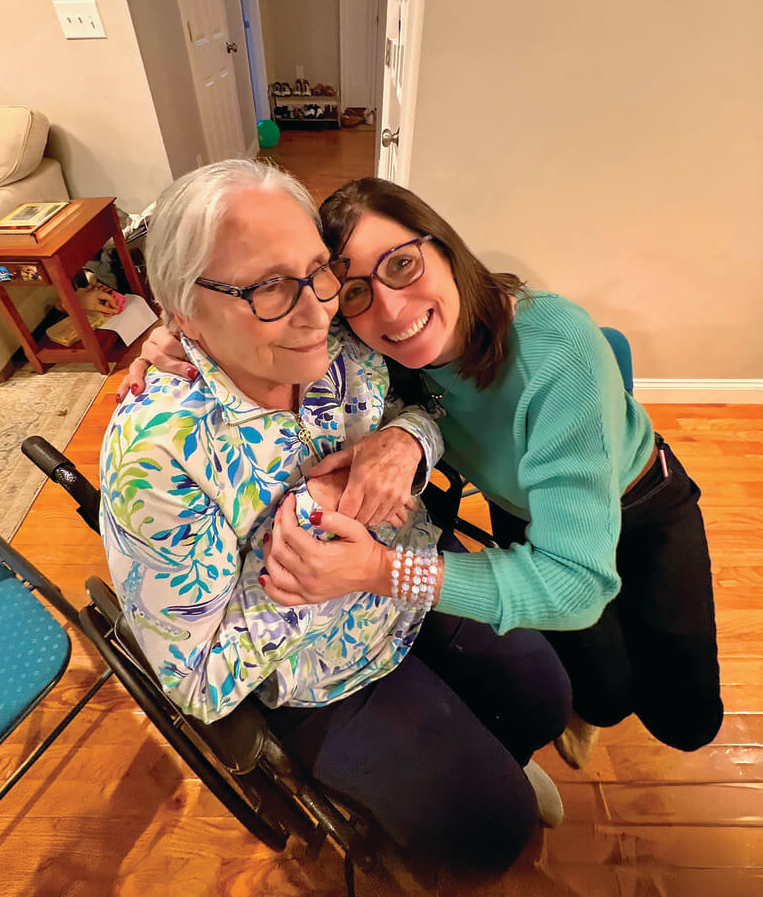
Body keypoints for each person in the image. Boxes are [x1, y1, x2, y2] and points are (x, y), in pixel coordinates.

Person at [123, 175, 723, 767]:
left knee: (687, 721)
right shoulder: (356, 340)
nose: (389, 306)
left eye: (402, 265)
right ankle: (578, 715)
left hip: (639, 502)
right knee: (602, 691)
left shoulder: (555, 347)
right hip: (523, 518)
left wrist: (382, 563)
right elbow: (253, 305)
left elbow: (575, 584)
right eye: (353, 290)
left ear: (442, 244)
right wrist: (178, 334)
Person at [102, 160, 571, 881]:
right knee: (489, 831)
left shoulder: (344, 346)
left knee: (545, 691)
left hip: (407, 584)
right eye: (267, 287)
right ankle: (482, 783)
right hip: (321, 671)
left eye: (318, 272)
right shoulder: (158, 458)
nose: (318, 309)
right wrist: (312, 563)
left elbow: (429, 406)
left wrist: (409, 441)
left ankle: (497, 755)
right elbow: (194, 680)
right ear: (181, 311)